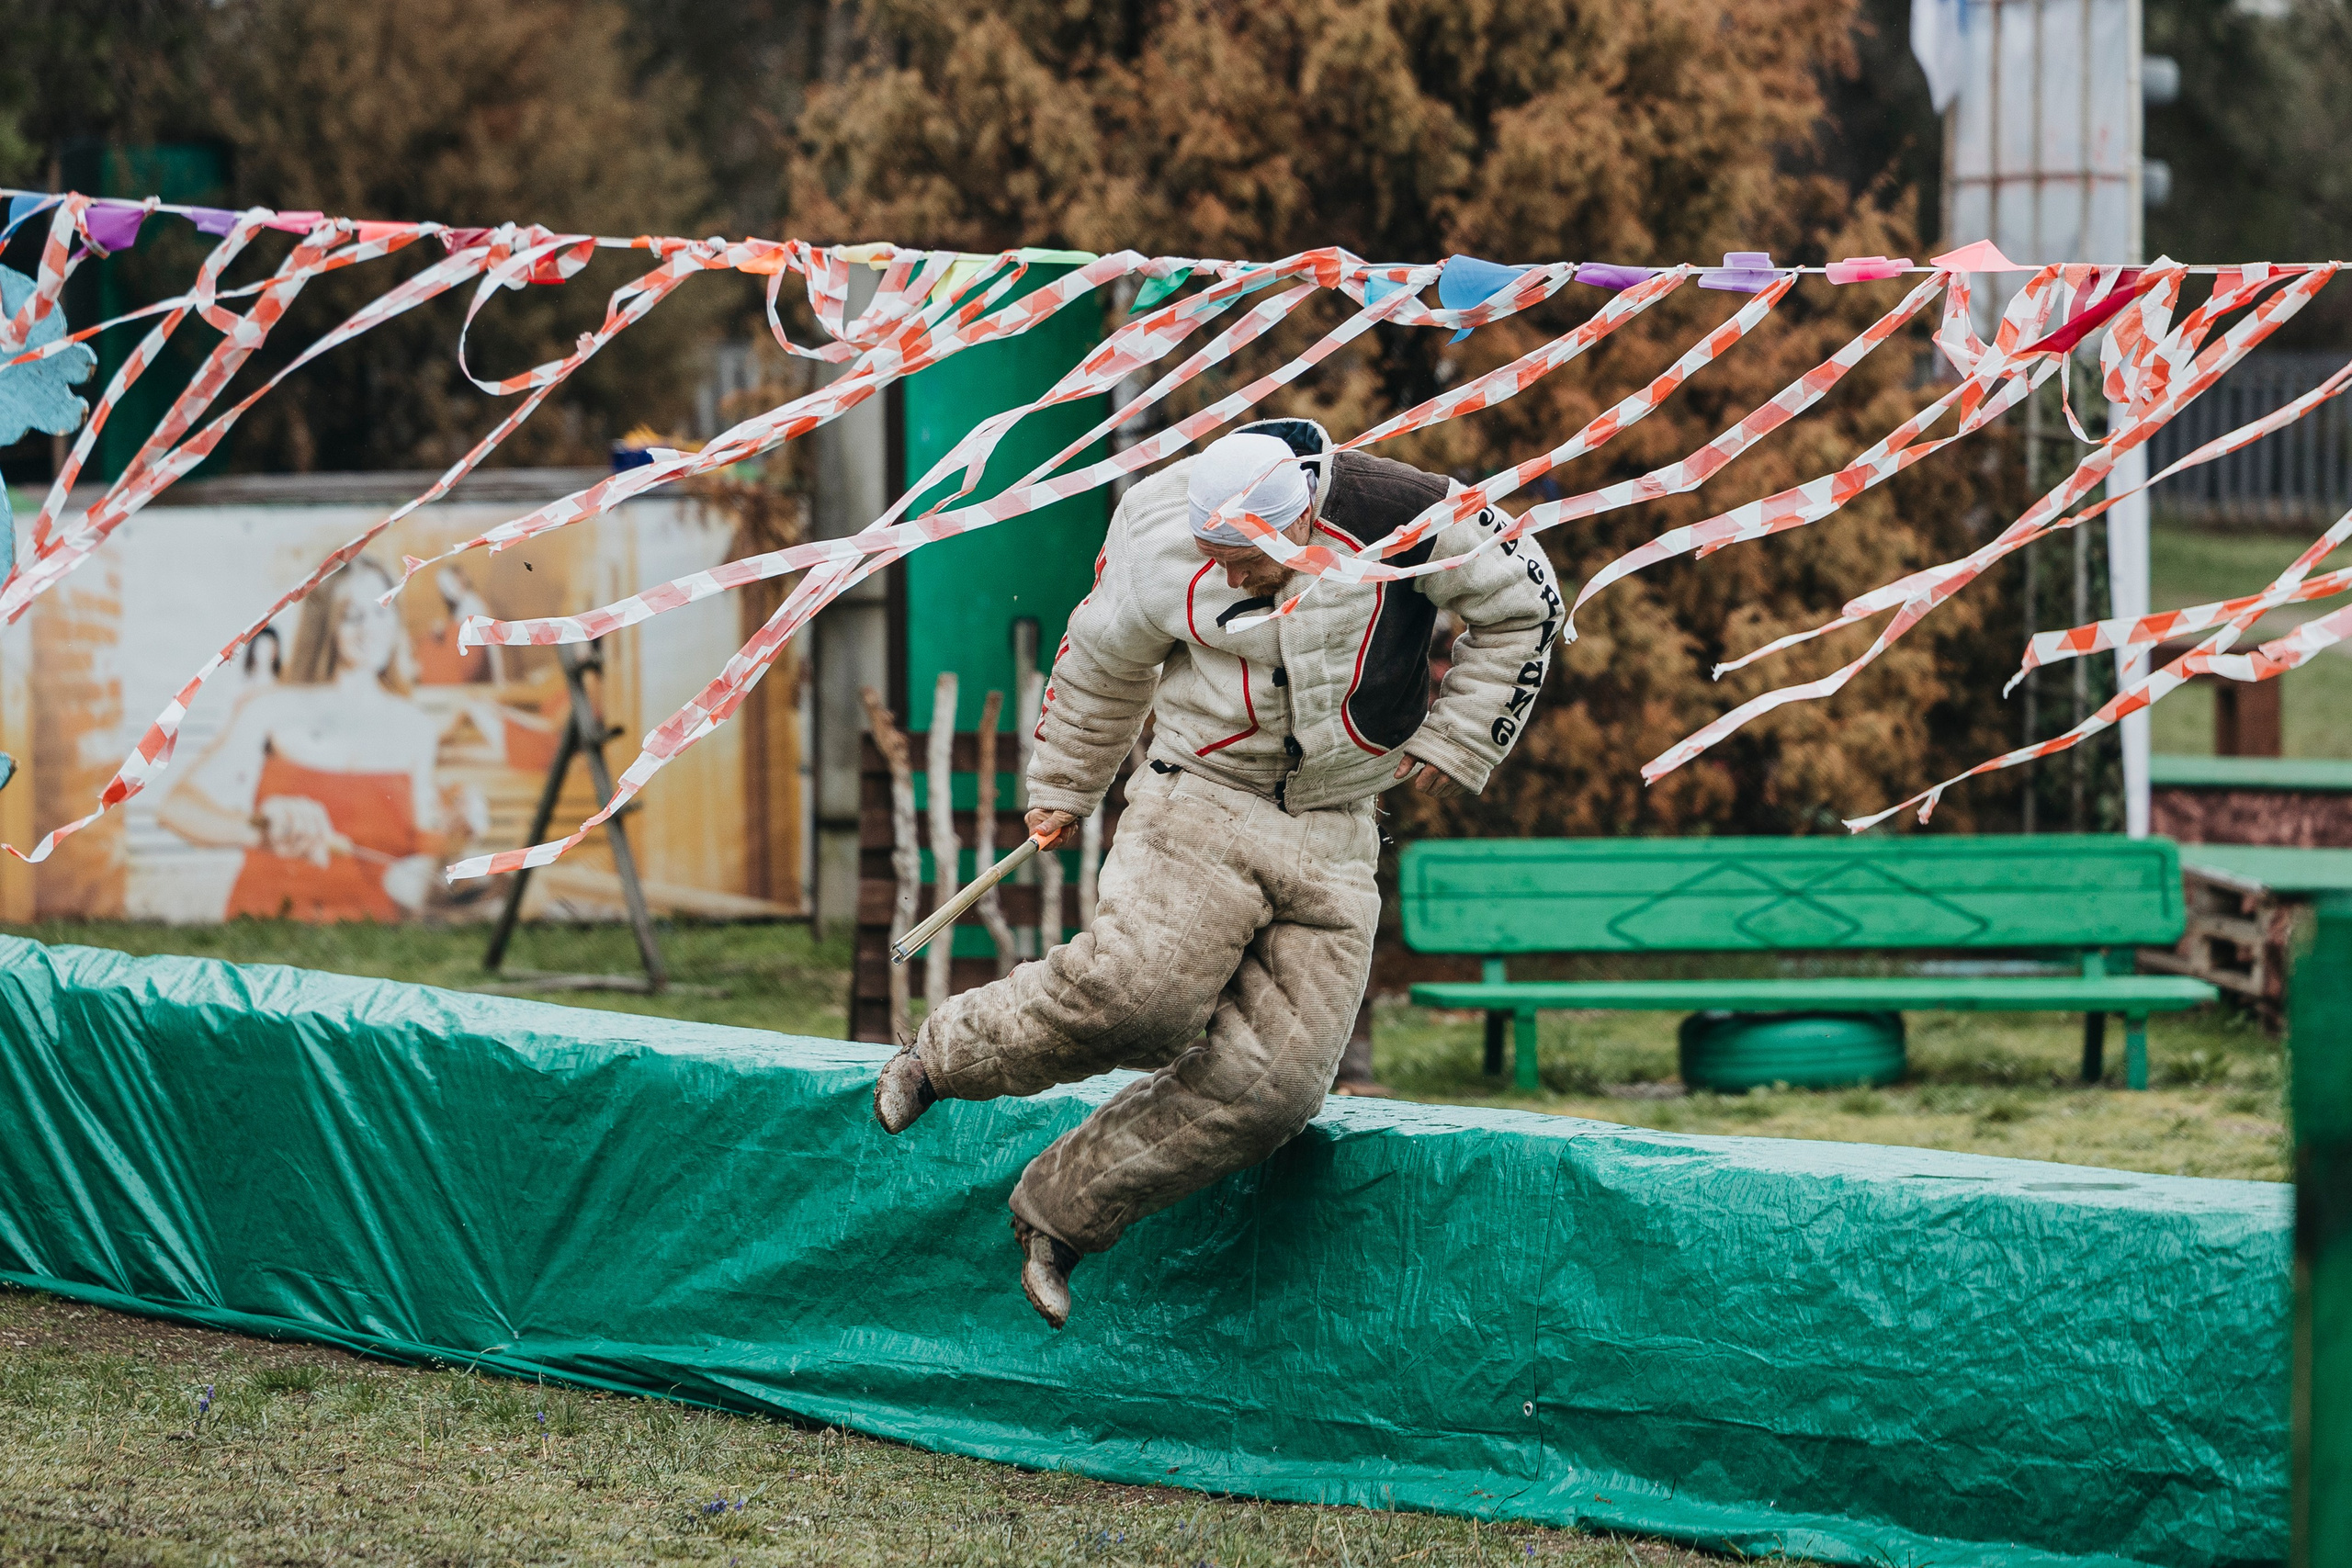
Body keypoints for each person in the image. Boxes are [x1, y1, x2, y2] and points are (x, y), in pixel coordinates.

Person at [873, 418, 1562, 1326]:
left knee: (1276, 1087)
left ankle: (1061, 1216)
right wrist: (1065, 786)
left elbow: (1531, 604)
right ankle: (942, 1058)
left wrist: (1463, 730)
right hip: (1201, 793)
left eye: (1247, 559)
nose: (1231, 576)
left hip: (1336, 827)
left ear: (1303, 520)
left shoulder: (1415, 512)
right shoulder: (1153, 522)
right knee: (1142, 998)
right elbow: (1101, 664)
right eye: (1217, 557)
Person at [160, 557, 467, 921]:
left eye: (382, 611)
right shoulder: (271, 707)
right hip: (271, 918)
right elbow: (176, 808)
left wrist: (459, 835)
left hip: (376, 926)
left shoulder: (416, 726)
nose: (371, 629)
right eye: (353, 615)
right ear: (326, 627)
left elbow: (421, 854)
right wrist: (260, 831)